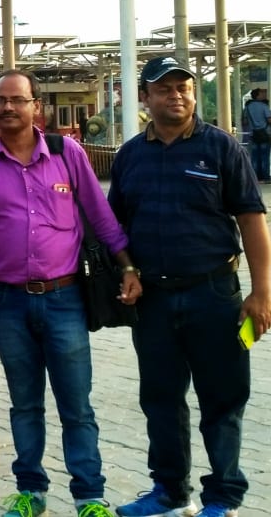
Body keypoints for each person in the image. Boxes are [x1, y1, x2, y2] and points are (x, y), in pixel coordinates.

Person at [0, 70, 140, 517]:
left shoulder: (67, 153)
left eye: (17, 100)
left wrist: (127, 267)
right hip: (8, 303)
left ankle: (89, 497)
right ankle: (31, 492)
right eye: (0, 100)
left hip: (65, 300)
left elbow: (101, 217)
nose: (8, 107)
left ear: (35, 106)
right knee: (24, 405)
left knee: (76, 405)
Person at [110, 57, 271, 517]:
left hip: (215, 295)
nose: (176, 95)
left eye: (184, 87)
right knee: (160, 398)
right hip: (154, 300)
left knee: (223, 399)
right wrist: (126, 270)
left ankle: (223, 497)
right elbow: (115, 226)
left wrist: (262, 293)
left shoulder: (221, 147)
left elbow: (252, 220)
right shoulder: (131, 156)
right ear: (145, 97)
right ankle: (169, 492)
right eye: (164, 88)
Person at [243, 88, 270, 182]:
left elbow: (245, 121)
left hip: (253, 135)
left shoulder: (248, 107)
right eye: (262, 93)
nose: (264, 95)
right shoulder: (264, 106)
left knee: (254, 157)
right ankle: (265, 177)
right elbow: (269, 119)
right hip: (264, 134)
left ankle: (255, 177)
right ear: (258, 95)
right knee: (264, 156)